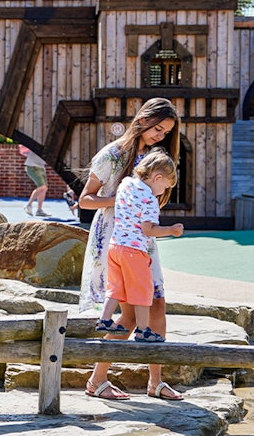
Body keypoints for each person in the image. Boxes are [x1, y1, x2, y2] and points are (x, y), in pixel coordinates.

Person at [78, 97, 184, 401]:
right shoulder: (113, 155)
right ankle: (97, 380)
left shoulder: (153, 159)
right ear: (143, 120)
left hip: (142, 240)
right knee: (129, 313)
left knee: (158, 305)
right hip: (116, 237)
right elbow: (86, 199)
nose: (160, 136)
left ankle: (156, 382)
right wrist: (122, 200)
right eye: (158, 129)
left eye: (165, 133)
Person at [94, 151, 183, 341]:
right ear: (157, 177)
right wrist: (171, 230)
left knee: (116, 287)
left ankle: (104, 319)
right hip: (134, 250)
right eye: (164, 187)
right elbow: (148, 229)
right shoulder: (149, 199)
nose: (162, 192)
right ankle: (143, 330)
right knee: (143, 291)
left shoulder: (126, 184)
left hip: (115, 246)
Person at [19, 144, 50, 216]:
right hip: (32, 166)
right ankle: (28, 205)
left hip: (41, 167)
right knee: (43, 187)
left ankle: (39, 210)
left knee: (44, 189)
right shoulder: (38, 142)